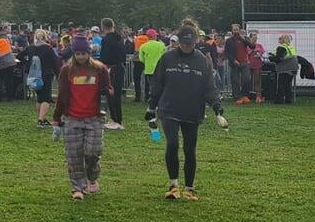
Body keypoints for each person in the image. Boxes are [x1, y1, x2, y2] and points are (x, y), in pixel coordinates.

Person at [146, 20, 228, 201]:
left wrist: (217, 107)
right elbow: (157, 84)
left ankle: (189, 188)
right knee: (173, 144)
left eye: (190, 43)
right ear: (178, 41)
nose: (186, 46)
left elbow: (209, 87)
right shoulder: (167, 58)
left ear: (196, 42)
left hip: (192, 111)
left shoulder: (202, 61)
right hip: (169, 109)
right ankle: (173, 185)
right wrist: (152, 107)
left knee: (190, 149)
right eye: (183, 43)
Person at [52, 36, 111, 200]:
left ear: (89, 53)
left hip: (94, 117)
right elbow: (62, 95)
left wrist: (107, 93)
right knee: (74, 155)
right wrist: (56, 118)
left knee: (93, 152)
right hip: (72, 118)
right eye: (77, 53)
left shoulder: (100, 69)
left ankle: (92, 175)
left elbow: (109, 88)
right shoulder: (67, 70)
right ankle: (77, 188)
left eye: (84, 53)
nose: (81, 57)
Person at [24, 29, 60, 128]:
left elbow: (21, 56)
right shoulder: (48, 48)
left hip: (34, 76)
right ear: (45, 37)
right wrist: (58, 75)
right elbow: (55, 63)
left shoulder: (31, 48)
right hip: (46, 75)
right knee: (46, 98)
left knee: (39, 98)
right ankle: (41, 120)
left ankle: (41, 118)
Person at [96, 19, 127, 130]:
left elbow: (105, 57)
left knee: (112, 94)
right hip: (120, 67)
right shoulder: (120, 39)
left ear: (103, 27)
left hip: (112, 69)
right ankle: (116, 118)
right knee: (116, 94)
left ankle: (116, 120)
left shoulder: (106, 40)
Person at [136, 28, 166, 105]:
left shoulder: (143, 46)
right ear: (155, 36)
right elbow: (165, 55)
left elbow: (141, 58)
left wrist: (147, 61)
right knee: (158, 85)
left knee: (148, 85)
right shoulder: (161, 45)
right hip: (159, 69)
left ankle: (147, 98)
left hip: (148, 69)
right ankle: (158, 99)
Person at [272, 34, 299, 104]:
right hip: (293, 68)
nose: (278, 40)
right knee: (288, 84)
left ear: (282, 40)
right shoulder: (291, 47)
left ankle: (279, 100)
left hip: (285, 68)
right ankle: (288, 99)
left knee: (281, 84)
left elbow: (279, 59)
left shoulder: (281, 47)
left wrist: (271, 58)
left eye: (280, 38)